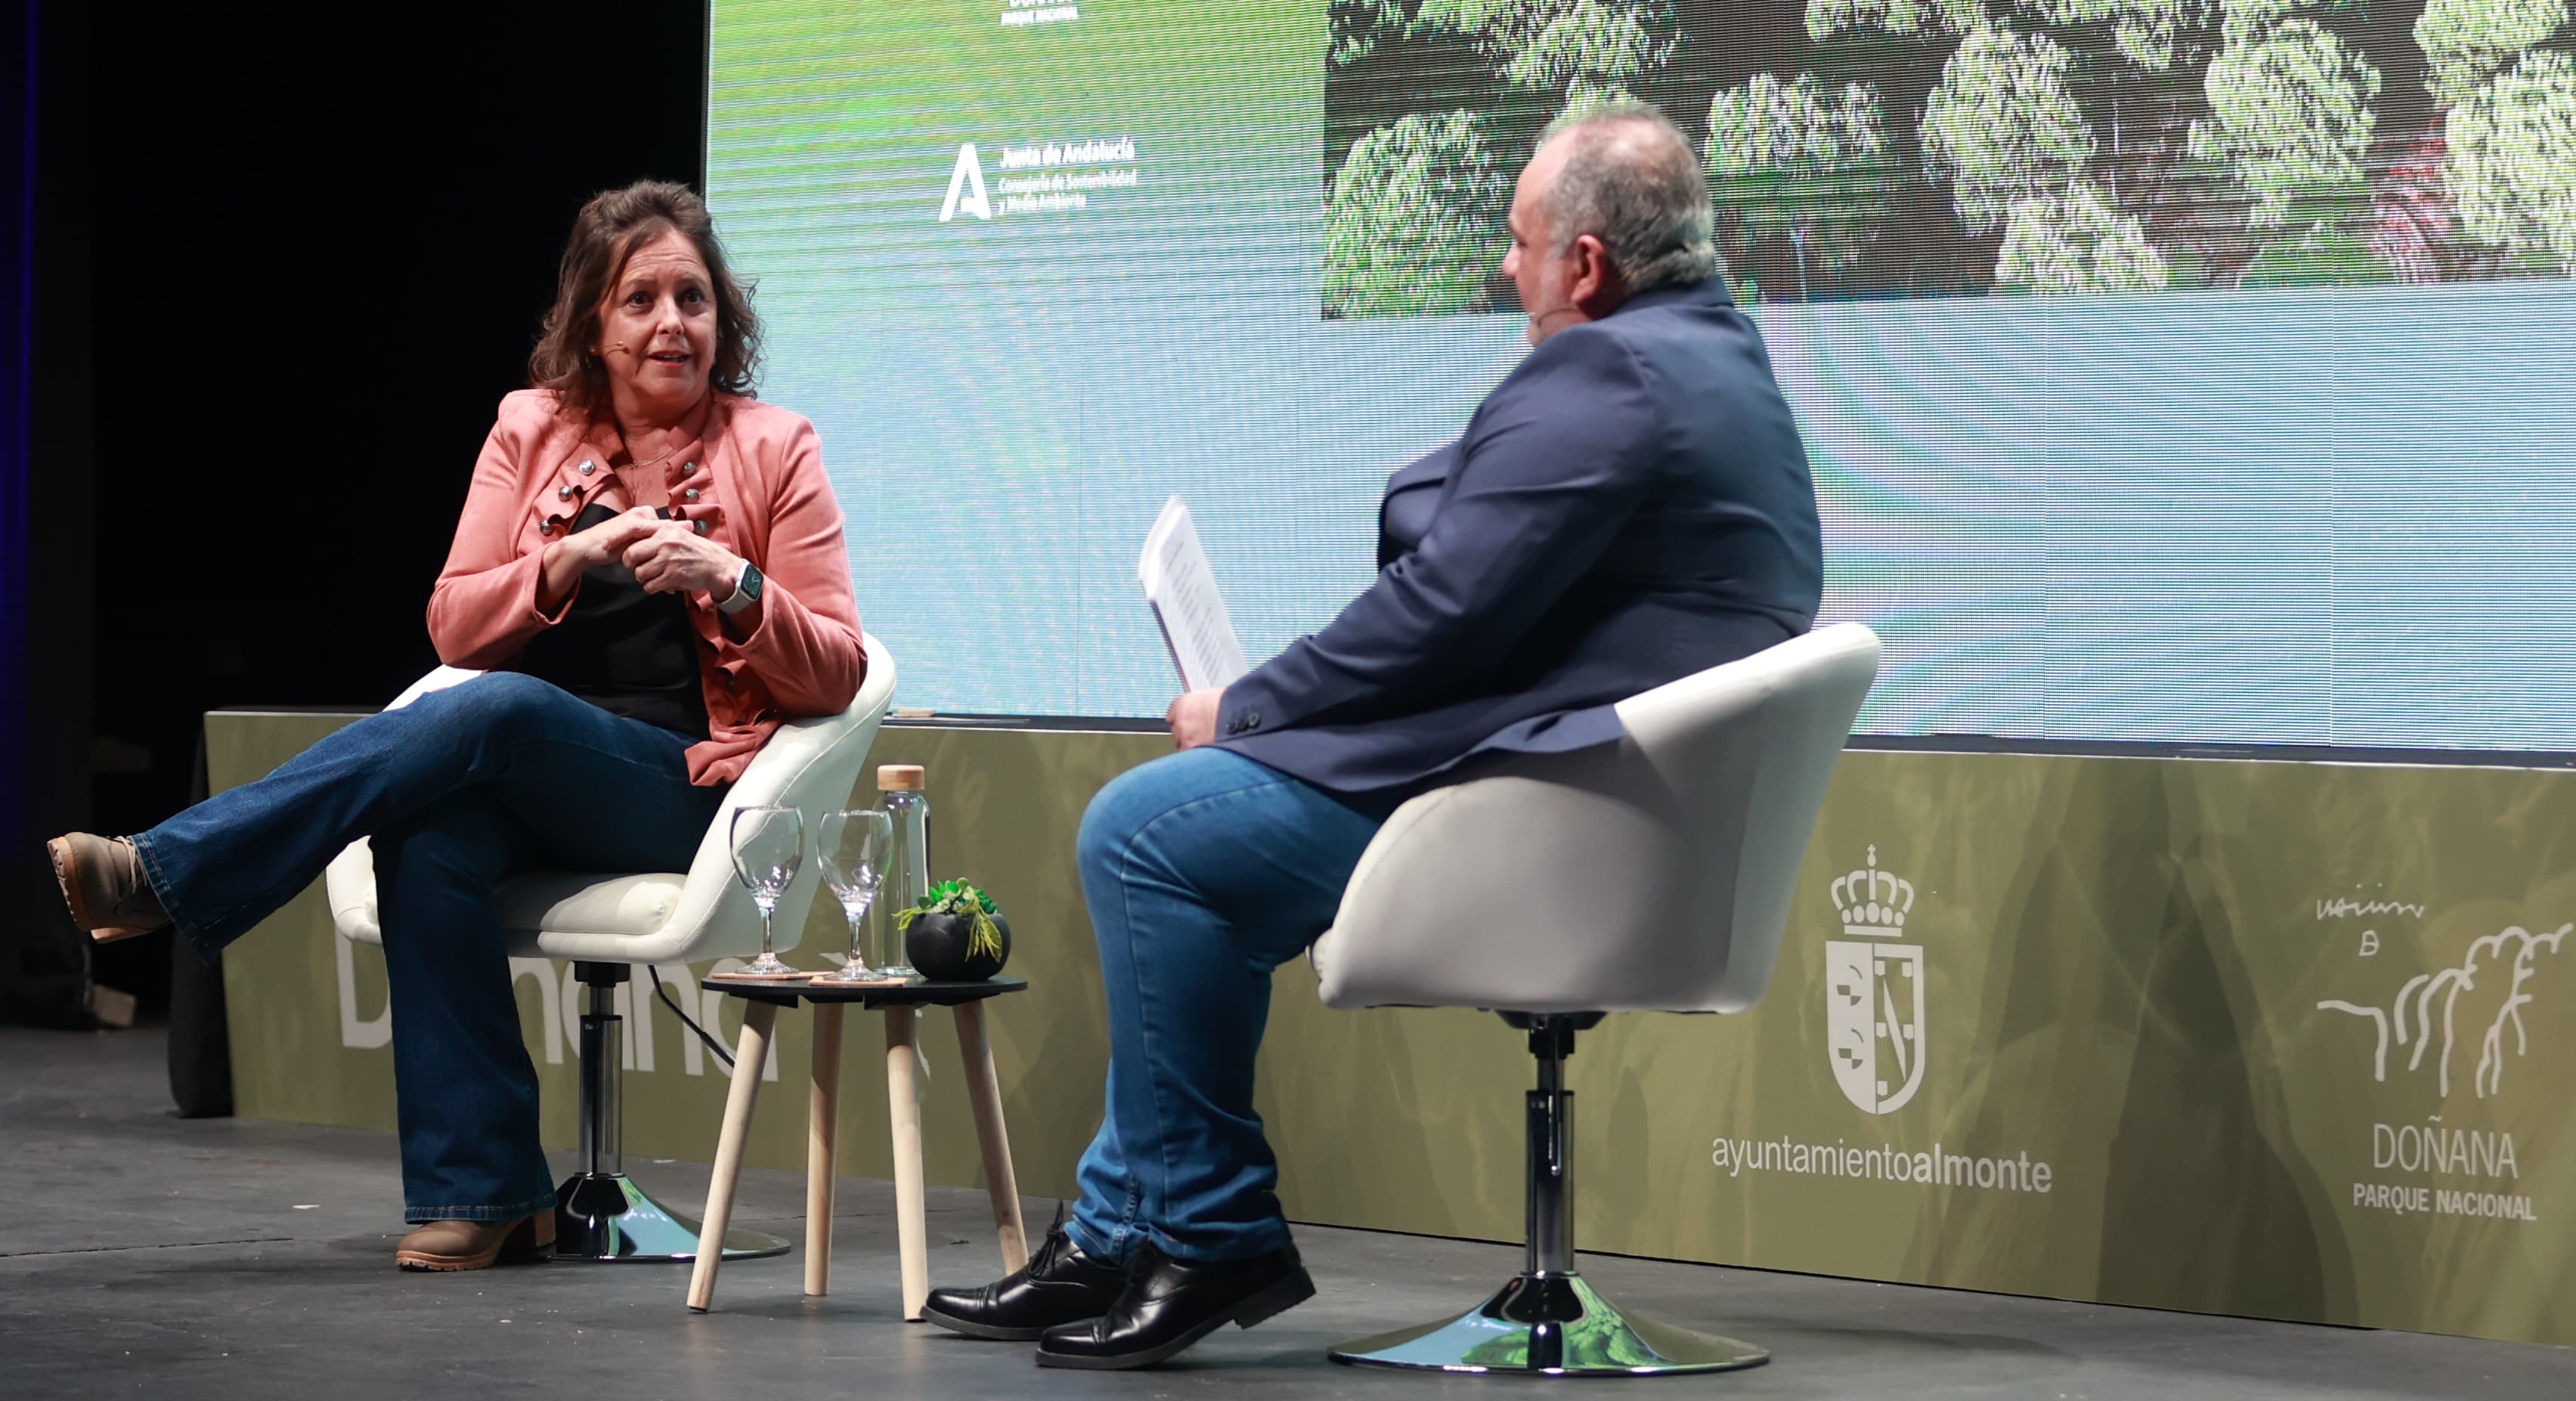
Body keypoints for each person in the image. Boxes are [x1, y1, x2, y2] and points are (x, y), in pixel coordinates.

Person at [923, 105, 1824, 1369]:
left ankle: (1211, 1227)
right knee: (1198, 848)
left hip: (1552, 816)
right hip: (1625, 810)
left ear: (1587, 267)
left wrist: (1239, 709)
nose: (1501, 269)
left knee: (1148, 834)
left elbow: (1441, 613)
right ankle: (1124, 1230)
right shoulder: (1720, 361)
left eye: (1519, 244)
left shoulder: (1609, 372)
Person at [47, 181, 865, 1272]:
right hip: (527, 767)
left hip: (691, 792)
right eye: (641, 300)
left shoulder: (777, 444)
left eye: (694, 298)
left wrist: (737, 582)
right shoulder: (531, 429)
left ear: (724, 319)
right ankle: (488, 1193)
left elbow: (843, 668)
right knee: (427, 834)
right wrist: (562, 560)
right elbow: (455, 621)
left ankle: (167, 874)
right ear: (593, 325)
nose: (672, 322)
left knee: (504, 713)